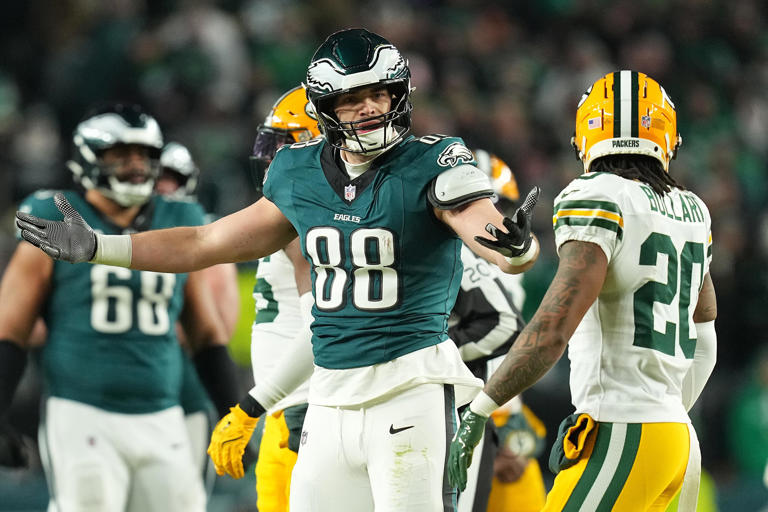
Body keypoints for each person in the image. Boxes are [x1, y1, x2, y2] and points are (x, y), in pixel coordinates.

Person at [15, 29, 542, 512]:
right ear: (326, 108)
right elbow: (205, 242)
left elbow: (485, 229)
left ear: (398, 95)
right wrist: (100, 248)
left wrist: (514, 250)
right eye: (351, 99)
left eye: (378, 94)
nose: (369, 109)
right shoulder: (298, 170)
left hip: (410, 391)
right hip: (330, 399)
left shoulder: (437, 161)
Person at [447, 70, 718, 512]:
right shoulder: (692, 208)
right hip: (677, 440)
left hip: (623, 430)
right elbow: (705, 333)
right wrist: (669, 409)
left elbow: (554, 327)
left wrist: (480, 408)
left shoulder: (595, 194)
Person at [0, 102, 242, 511]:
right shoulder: (52, 216)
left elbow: (206, 333)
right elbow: (11, 328)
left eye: (145, 155)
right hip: (81, 409)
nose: (136, 165)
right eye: (121, 154)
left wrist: (230, 414)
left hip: (162, 413)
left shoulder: (179, 216)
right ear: (88, 158)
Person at [453, 150, 547, 512]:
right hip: (469, 408)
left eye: (497, 207)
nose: (489, 223)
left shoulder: (505, 262)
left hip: (495, 406)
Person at [247, 85, 319, 512]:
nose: (271, 160)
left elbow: (321, 324)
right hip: (287, 408)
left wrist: (279, 402)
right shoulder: (291, 211)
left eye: (283, 147)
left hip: (300, 410)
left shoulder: (303, 219)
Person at [156, 140, 241, 489]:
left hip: (186, 391)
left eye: (171, 178)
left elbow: (218, 328)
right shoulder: (110, 231)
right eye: (157, 176)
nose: (163, 186)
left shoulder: (206, 235)